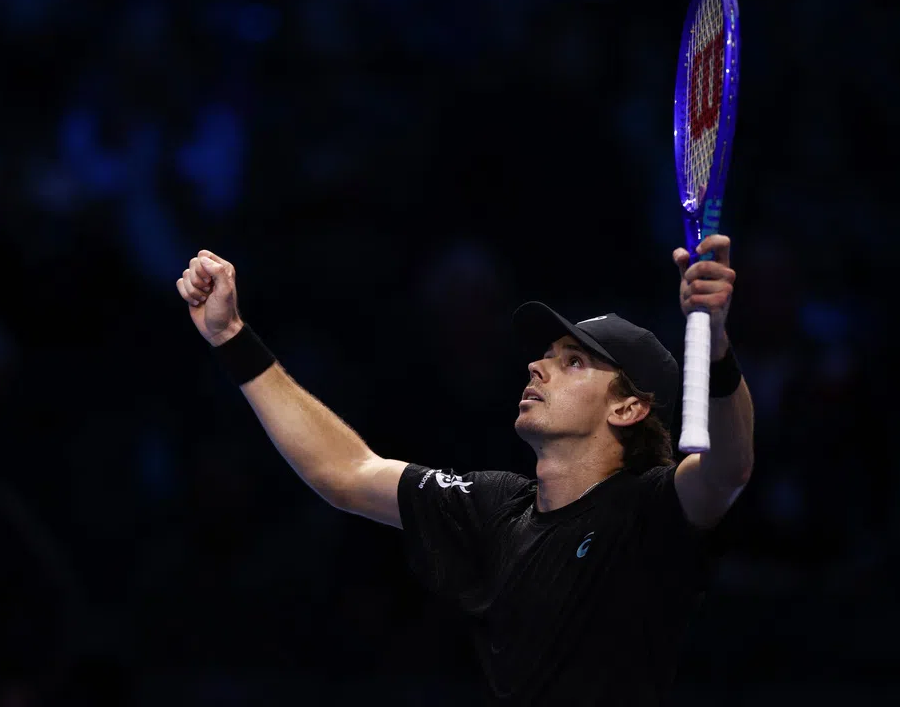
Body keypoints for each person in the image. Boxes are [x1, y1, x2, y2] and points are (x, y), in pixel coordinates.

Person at [174, 234, 754, 705]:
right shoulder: (494, 506)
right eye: (545, 356)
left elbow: (725, 468)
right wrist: (230, 337)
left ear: (628, 408)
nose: (537, 366)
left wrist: (719, 345)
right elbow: (345, 471)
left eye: (572, 362)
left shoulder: (650, 509)